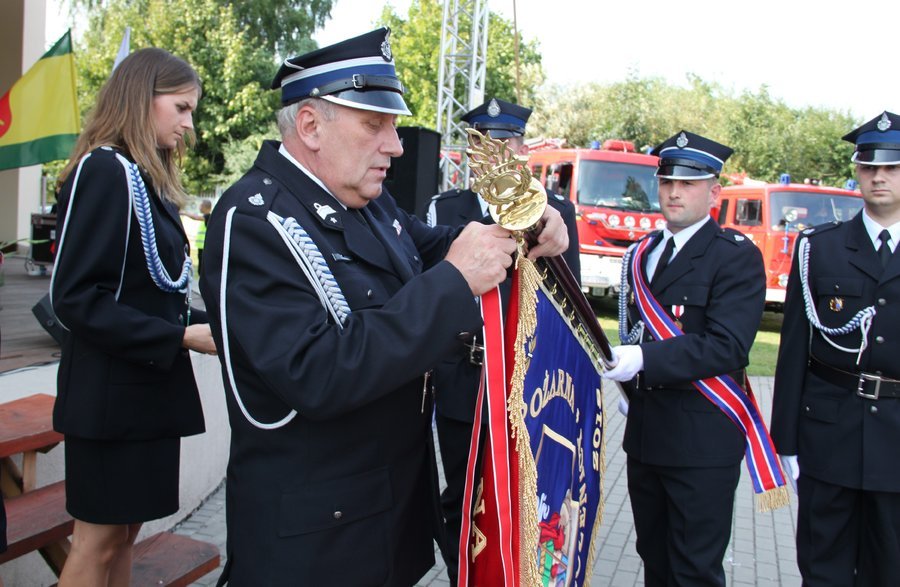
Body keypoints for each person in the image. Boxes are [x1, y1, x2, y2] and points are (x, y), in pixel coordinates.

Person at [199, 28, 568, 586]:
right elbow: (316, 372)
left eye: (392, 125)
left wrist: (522, 229)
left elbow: (430, 245)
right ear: (310, 126)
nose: (395, 145)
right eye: (375, 125)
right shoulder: (254, 219)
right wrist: (453, 281)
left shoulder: (361, 198)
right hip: (315, 546)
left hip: (379, 522)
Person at [50, 48, 216, 587]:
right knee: (97, 542)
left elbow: (149, 290)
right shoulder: (105, 170)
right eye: (181, 108)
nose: (189, 125)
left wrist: (200, 322)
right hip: (109, 395)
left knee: (124, 536)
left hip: (143, 389)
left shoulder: (145, 178)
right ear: (143, 99)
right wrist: (181, 335)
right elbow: (76, 298)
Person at [424, 96, 582, 583]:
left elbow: (569, 308)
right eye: (486, 145)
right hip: (463, 380)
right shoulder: (444, 209)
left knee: (524, 497)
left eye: (508, 143)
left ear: (523, 150)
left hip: (525, 384)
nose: (498, 154)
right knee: (461, 500)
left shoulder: (554, 213)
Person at [603, 130, 766, 586]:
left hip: (702, 440)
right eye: (667, 181)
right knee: (653, 559)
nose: (674, 191)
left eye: (689, 183)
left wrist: (643, 361)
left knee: (694, 570)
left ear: (714, 192)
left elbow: (726, 345)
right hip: (647, 435)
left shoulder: (734, 257)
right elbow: (636, 329)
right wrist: (631, 379)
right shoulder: (644, 253)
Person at [771, 111, 900, 586]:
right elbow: (793, 351)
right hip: (829, 436)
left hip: (897, 442)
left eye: (892, 167)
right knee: (822, 568)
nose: (879, 176)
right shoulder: (818, 248)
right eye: (869, 167)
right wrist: (784, 439)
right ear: (858, 172)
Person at [182, 198, 212, 275]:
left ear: (205, 207)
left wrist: (184, 213)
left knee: (202, 269)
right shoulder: (206, 217)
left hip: (204, 247)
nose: (200, 207)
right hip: (201, 246)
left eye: (201, 205)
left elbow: (195, 217)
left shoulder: (208, 217)